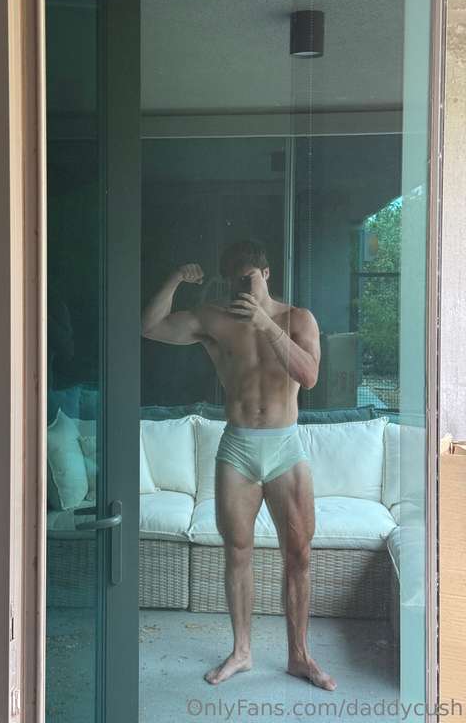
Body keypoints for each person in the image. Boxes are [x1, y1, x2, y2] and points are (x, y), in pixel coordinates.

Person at [140, 239, 336, 691]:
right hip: (238, 447)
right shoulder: (214, 319)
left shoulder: (298, 319)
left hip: (285, 446)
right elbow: (148, 327)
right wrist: (175, 279)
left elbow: (309, 376)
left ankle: (299, 656)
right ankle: (242, 651)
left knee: (299, 554)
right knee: (237, 552)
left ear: (266, 274)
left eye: (249, 278)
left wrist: (266, 324)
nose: (243, 288)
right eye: (235, 281)